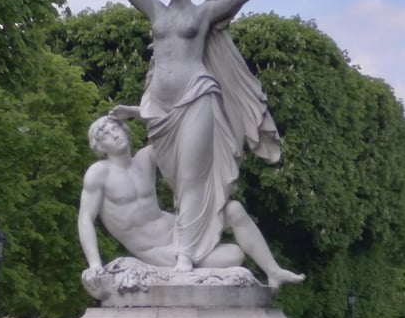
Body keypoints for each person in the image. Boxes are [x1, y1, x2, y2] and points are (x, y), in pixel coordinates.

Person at [101, 0, 288, 276]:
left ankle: (185, 253)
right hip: (160, 109)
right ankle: (189, 245)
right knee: (174, 179)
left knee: (191, 177)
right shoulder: (155, 10)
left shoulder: (204, 14)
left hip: (197, 94)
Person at [78, 114, 303, 289]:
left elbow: (175, 129)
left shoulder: (145, 158)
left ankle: (273, 271)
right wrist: (95, 264)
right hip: (157, 249)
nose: (114, 134)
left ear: (126, 131)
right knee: (235, 255)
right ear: (99, 146)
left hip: (179, 228)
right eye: (106, 134)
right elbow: (86, 219)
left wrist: (136, 112)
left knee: (234, 209)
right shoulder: (99, 173)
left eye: (116, 128)